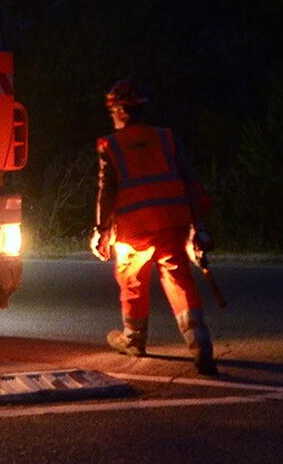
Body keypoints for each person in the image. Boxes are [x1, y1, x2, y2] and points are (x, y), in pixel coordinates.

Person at [90, 79, 216, 375]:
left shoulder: (110, 145)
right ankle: (200, 345)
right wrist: (199, 226)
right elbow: (189, 180)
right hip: (172, 223)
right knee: (179, 281)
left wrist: (100, 230)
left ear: (120, 110)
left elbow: (105, 191)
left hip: (134, 231)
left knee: (131, 280)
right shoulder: (165, 137)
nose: (112, 117)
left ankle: (134, 339)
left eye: (112, 112)